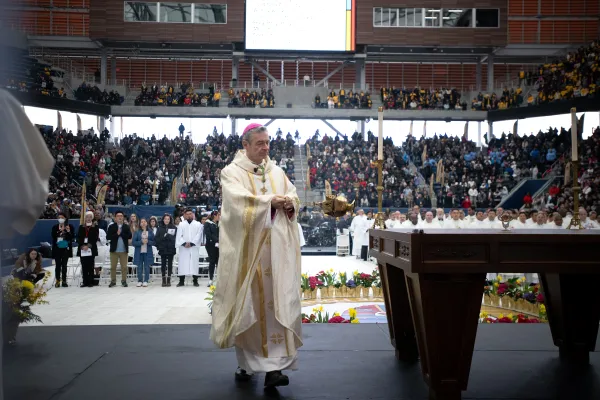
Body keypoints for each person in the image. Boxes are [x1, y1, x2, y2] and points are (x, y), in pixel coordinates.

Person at [210, 123, 302, 388]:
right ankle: (247, 364)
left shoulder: (277, 171)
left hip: (276, 253)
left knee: (278, 304)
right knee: (250, 309)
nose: (265, 147)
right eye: (260, 143)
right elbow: (238, 204)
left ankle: (276, 370)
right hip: (250, 254)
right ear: (245, 145)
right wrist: (268, 203)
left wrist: (289, 204)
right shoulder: (231, 173)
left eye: (267, 142)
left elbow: (293, 196)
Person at [175, 208, 202, 287]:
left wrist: (192, 243)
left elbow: (199, 235)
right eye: (187, 214)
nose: (189, 215)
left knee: (194, 263)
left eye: (190, 213)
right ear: (185, 215)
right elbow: (179, 236)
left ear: (193, 214)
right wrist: (184, 243)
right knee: (183, 263)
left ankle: (195, 280)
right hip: (184, 248)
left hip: (194, 247)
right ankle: (181, 281)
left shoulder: (198, 224)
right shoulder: (181, 224)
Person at [106, 210, 132, 287]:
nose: (120, 217)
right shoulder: (111, 226)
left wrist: (121, 234)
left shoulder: (126, 226)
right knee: (113, 267)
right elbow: (108, 237)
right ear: (115, 218)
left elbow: (129, 236)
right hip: (114, 250)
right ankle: (113, 281)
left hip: (123, 250)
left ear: (123, 218)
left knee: (124, 267)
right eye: (118, 216)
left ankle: (124, 281)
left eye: (121, 216)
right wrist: (116, 235)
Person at [77, 211, 100, 287]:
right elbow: (79, 237)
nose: (88, 218)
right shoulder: (81, 227)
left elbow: (95, 238)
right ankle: (85, 281)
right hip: (82, 249)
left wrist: (88, 246)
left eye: (90, 217)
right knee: (84, 265)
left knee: (90, 265)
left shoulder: (95, 227)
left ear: (92, 218)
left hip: (91, 249)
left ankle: (90, 281)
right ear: (85, 218)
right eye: (87, 217)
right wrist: (83, 246)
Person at [51, 212, 75, 288]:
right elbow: (53, 236)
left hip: (65, 248)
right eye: (59, 217)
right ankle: (57, 281)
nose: (60, 219)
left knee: (64, 265)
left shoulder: (69, 226)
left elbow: (72, 237)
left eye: (62, 217)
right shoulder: (55, 227)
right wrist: (60, 231)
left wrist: (68, 231)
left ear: (65, 218)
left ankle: (64, 280)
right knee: (57, 265)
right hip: (57, 248)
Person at [155, 213, 177, 287]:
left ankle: (169, 279)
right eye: (165, 219)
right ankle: (163, 279)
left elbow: (175, 239)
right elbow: (157, 239)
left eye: (168, 219)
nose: (167, 220)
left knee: (170, 264)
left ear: (170, 220)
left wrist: (168, 236)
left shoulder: (174, 227)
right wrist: (164, 237)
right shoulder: (159, 228)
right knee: (163, 264)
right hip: (163, 248)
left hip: (171, 248)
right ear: (163, 220)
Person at [132, 218, 155, 287]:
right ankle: (139, 280)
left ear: (147, 223)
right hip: (139, 252)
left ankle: (146, 280)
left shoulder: (150, 232)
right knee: (139, 267)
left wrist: (148, 242)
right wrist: (141, 242)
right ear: (140, 224)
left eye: (144, 221)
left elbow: (154, 242)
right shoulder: (137, 232)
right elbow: (133, 243)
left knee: (147, 267)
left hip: (147, 252)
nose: (143, 223)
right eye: (142, 222)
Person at [204, 210, 220, 286]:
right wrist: (217, 239)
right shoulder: (207, 223)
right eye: (218, 215)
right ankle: (210, 279)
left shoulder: (218, 224)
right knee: (212, 261)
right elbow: (208, 234)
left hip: (219, 245)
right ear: (215, 216)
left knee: (218, 262)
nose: (219, 217)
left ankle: (219, 279)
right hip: (210, 245)